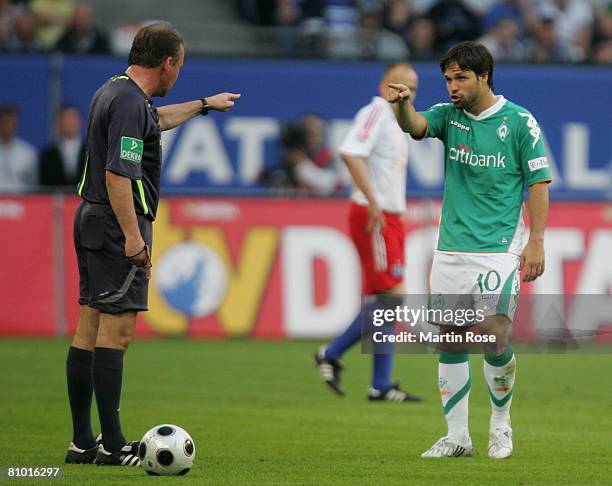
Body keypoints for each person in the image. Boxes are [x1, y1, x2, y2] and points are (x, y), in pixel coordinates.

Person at [65, 23, 240, 466]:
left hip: (91, 217)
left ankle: (84, 441)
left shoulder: (116, 92)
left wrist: (203, 105)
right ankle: (112, 442)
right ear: (168, 63)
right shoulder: (128, 102)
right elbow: (118, 173)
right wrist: (130, 238)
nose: (178, 74)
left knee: (89, 326)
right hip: (115, 222)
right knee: (117, 330)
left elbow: (156, 121)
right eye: (180, 67)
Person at [387, 41, 551, 458]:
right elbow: (415, 127)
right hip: (450, 248)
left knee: (494, 335)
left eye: (461, 78)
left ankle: (501, 424)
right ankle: (457, 436)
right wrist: (402, 106)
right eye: (447, 78)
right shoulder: (448, 116)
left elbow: (538, 185)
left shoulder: (519, 122)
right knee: (451, 338)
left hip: (498, 249)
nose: (452, 86)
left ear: (484, 77)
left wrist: (535, 241)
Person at [314, 62, 422, 403]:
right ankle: (332, 353)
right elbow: (350, 152)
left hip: (390, 217)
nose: (407, 92)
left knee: (384, 301)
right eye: (400, 85)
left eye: (414, 87)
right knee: (392, 297)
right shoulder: (376, 112)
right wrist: (374, 199)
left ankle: (380, 384)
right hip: (374, 215)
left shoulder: (398, 122)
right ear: (384, 87)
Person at [39, 104, 86, 189]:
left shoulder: (92, 152)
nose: (69, 122)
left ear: (80, 121)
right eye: (65, 119)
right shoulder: (48, 155)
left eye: (72, 118)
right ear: (58, 123)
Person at [0, 103, 37, 192]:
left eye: (10, 122)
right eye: (4, 122)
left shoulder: (28, 153)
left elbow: (34, 185)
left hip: (21, 202)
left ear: (16, 123)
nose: (7, 126)